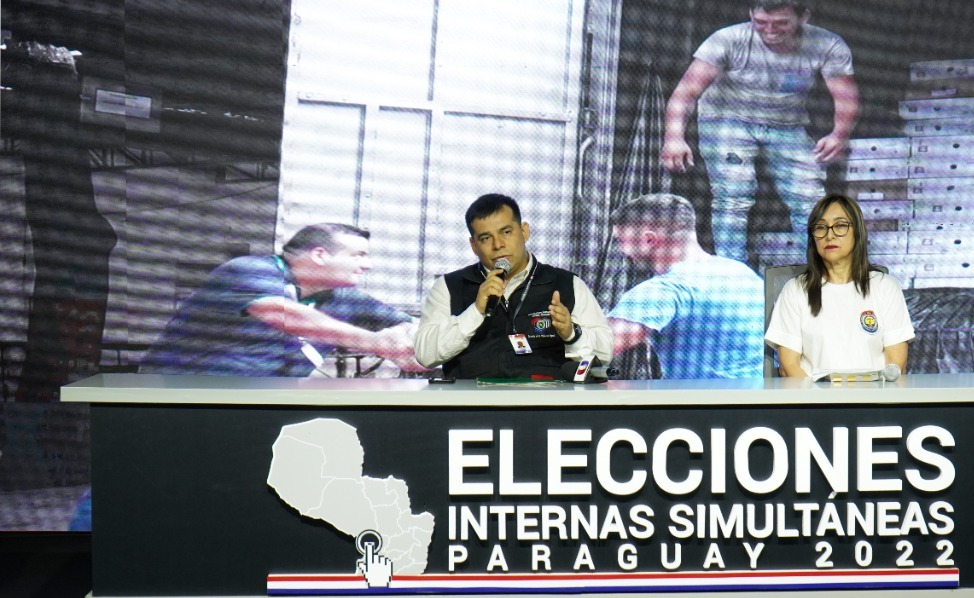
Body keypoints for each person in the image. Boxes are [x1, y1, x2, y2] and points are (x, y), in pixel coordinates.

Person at [660, 1, 858, 264]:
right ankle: (733, 273)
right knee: (733, 195)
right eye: (761, 22)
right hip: (727, 119)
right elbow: (685, 94)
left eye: (781, 24)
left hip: (787, 124)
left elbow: (845, 95)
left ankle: (820, 271)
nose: (770, 31)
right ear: (751, 14)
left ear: (804, 17)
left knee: (809, 196)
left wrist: (839, 134)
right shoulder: (727, 40)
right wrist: (674, 137)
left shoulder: (826, 44)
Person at [140, 223, 423, 377]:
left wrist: (414, 345)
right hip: (174, 397)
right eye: (358, 256)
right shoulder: (248, 270)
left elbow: (411, 326)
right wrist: (377, 343)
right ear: (320, 255)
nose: (367, 265)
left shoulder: (345, 298)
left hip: (256, 408)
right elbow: (283, 314)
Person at [415, 194, 612, 379]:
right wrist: (475, 311)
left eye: (506, 232)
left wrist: (572, 333)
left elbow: (605, 354)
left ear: (524, 231)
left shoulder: (566, 283)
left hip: (545, 406)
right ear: (474, 245)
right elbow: (425, 355)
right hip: (472, 406)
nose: (498, 244)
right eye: (485, 238)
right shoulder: (449, 286)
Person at [608, 193, 764, 379]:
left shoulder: (665, 289)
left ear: (649, 239)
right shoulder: (744, 274)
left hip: (705, 405)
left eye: (620, 240)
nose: (621, 250)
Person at [764, 194, 913, 378]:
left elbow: (896, 365)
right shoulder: (795, 290)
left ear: (857, 232)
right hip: (814, 401)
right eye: (820, 227)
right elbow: (789, 367)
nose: (830, 235)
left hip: (874, 400)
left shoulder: (885, 287)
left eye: (840, 225)